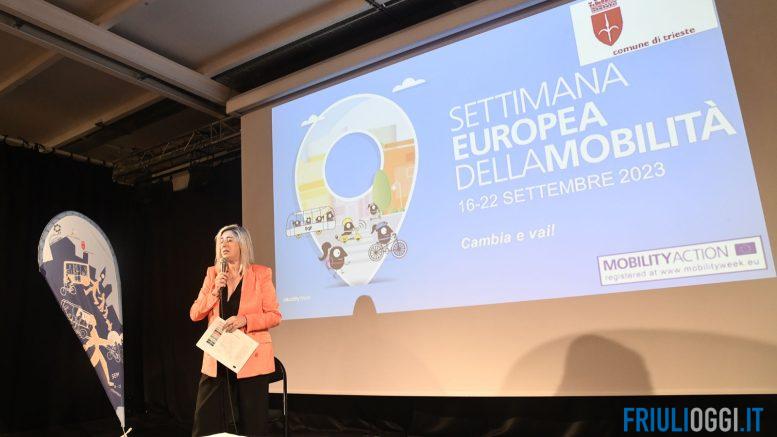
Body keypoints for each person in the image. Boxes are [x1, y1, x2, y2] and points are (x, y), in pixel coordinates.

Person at [190, 224, 282, 436]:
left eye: (230, 239)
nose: (224, 244)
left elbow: (274, 315)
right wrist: (215, 290)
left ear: (242, 244)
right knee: (205, 422)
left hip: (249, 356)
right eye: (221, 241)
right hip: (218, 356)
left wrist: (245, 320)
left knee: (252, 424)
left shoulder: (261, 274)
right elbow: (195, 314)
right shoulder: (213, 274)